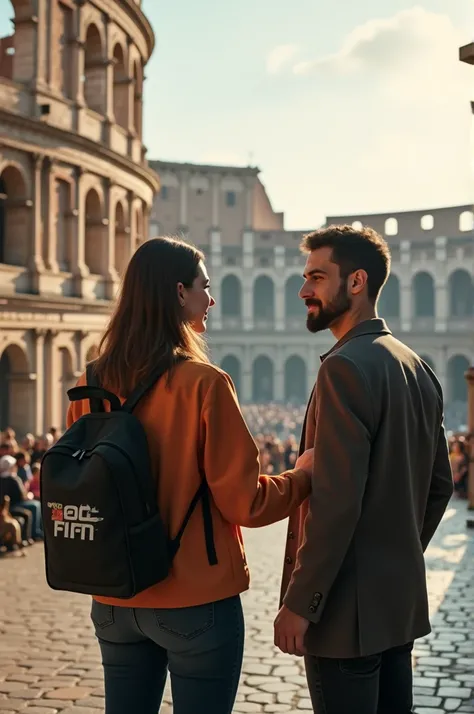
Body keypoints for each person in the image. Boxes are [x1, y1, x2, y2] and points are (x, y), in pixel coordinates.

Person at [66, 236, 314, 714]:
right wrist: (302, 477)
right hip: (195, 598)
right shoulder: (205, 384)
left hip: (115, 593)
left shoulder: (92, 381)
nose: (211, 299)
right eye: (205, 286)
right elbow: (246, 503)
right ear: (179, 293)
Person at [274, 225, 453, 714]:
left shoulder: (344, 367)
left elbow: (335, 500)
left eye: (316, 276)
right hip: (397, 607)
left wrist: (300, 601)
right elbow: (440, 487)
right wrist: (393, 558)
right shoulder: (416, 365)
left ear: (356, 282)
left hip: (343, 617)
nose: (303, 289)